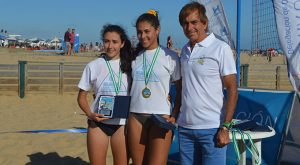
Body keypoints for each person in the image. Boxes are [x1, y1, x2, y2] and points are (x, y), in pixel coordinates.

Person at [176, 2, 238, 165]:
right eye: (185, 23)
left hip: (212, 128)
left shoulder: (220, 48)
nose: (189, 27)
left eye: (194, 22)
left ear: (205, 23)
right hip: (185, 129)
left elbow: (232, 88)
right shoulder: (184, 50)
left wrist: (226, 127)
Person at [127, 10, 181, 165]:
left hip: (160, 118)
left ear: (157, 30)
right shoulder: (134, 56)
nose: (142, 36)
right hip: (135, 116)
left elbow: (181, 90)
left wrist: (174, 115)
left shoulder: (170, 56)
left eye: (146, 31)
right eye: (139, 32)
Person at [77, 24, 132, 165]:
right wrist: (90, 114)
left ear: (122, 43)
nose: (110, 46)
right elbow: (81, 97)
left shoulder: (131, 65)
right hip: (98, 123)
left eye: (114, 42)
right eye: (106, 41)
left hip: (122, 124)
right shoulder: (93, 65)